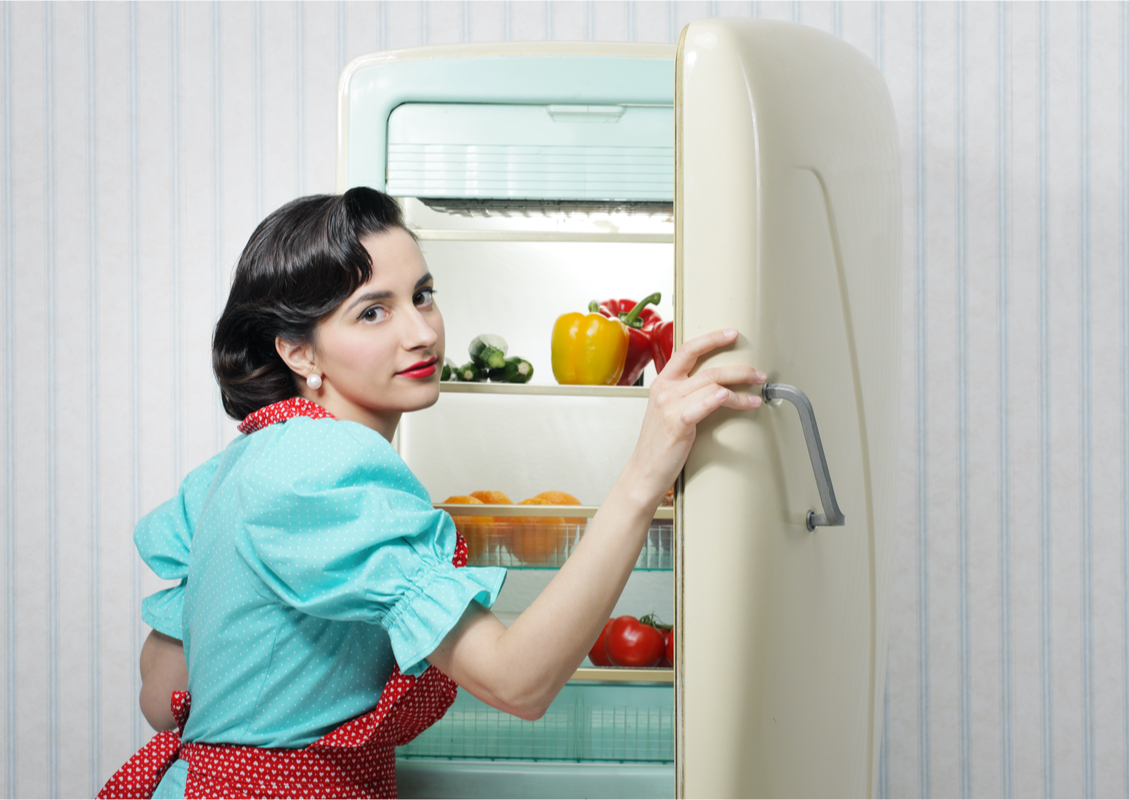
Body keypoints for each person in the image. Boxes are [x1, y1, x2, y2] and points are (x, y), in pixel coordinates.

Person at [99, 187, 765, 799]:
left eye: (422, 295)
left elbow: (163, 694)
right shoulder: (330, 467)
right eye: (372, 312)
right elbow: (517, 682)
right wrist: (645, 475)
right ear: (300, 353)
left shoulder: (242, 461)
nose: (421, 333)